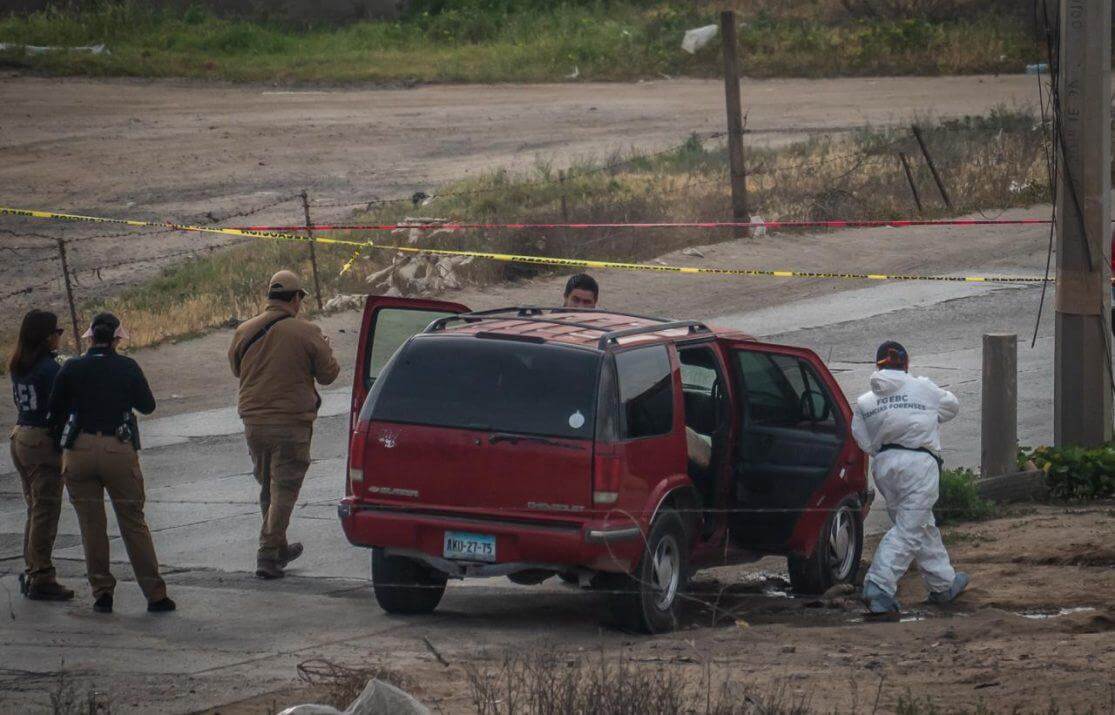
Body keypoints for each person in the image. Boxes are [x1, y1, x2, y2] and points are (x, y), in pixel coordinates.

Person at [49, 313, 174, 614]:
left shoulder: (71, 367)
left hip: (79, 448)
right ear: (117, 339)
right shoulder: (127, 366)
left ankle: (102, 592)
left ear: (90, 338)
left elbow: (54, 410)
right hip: (117, 447)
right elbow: (147, 405)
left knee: (91, 525)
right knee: (133, 522)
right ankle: (154, 594)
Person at [229, 270, 339, 579]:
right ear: (296, 298)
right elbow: (328, 374)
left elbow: (236, 369)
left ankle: (278, 547)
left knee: (269, 485)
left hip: (253, 421)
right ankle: (267, 553)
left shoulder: (244, 330)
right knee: (285, 487)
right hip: (290, 422)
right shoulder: (307, 332)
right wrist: (325, 347)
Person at [851, 341, 968, 615]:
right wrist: (923, 416)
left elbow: (862, 439)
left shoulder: (865, 402)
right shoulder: (923, 387)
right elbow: (951, 407)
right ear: (906, 364)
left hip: (885, 467)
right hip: (919, 465)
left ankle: (943, 584)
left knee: (920, 524)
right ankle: (878, 585)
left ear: (877, 365)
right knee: (909, 529)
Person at [8, 310, 73, 602]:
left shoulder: (19, 364)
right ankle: (42, 576)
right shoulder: (50, 369)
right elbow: (62, 405)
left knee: (34, 509)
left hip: (21, 435)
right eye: (57, 332)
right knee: (46, 510)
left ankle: (32, 568)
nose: (59, 336)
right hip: (41, 441)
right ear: (46, 337)